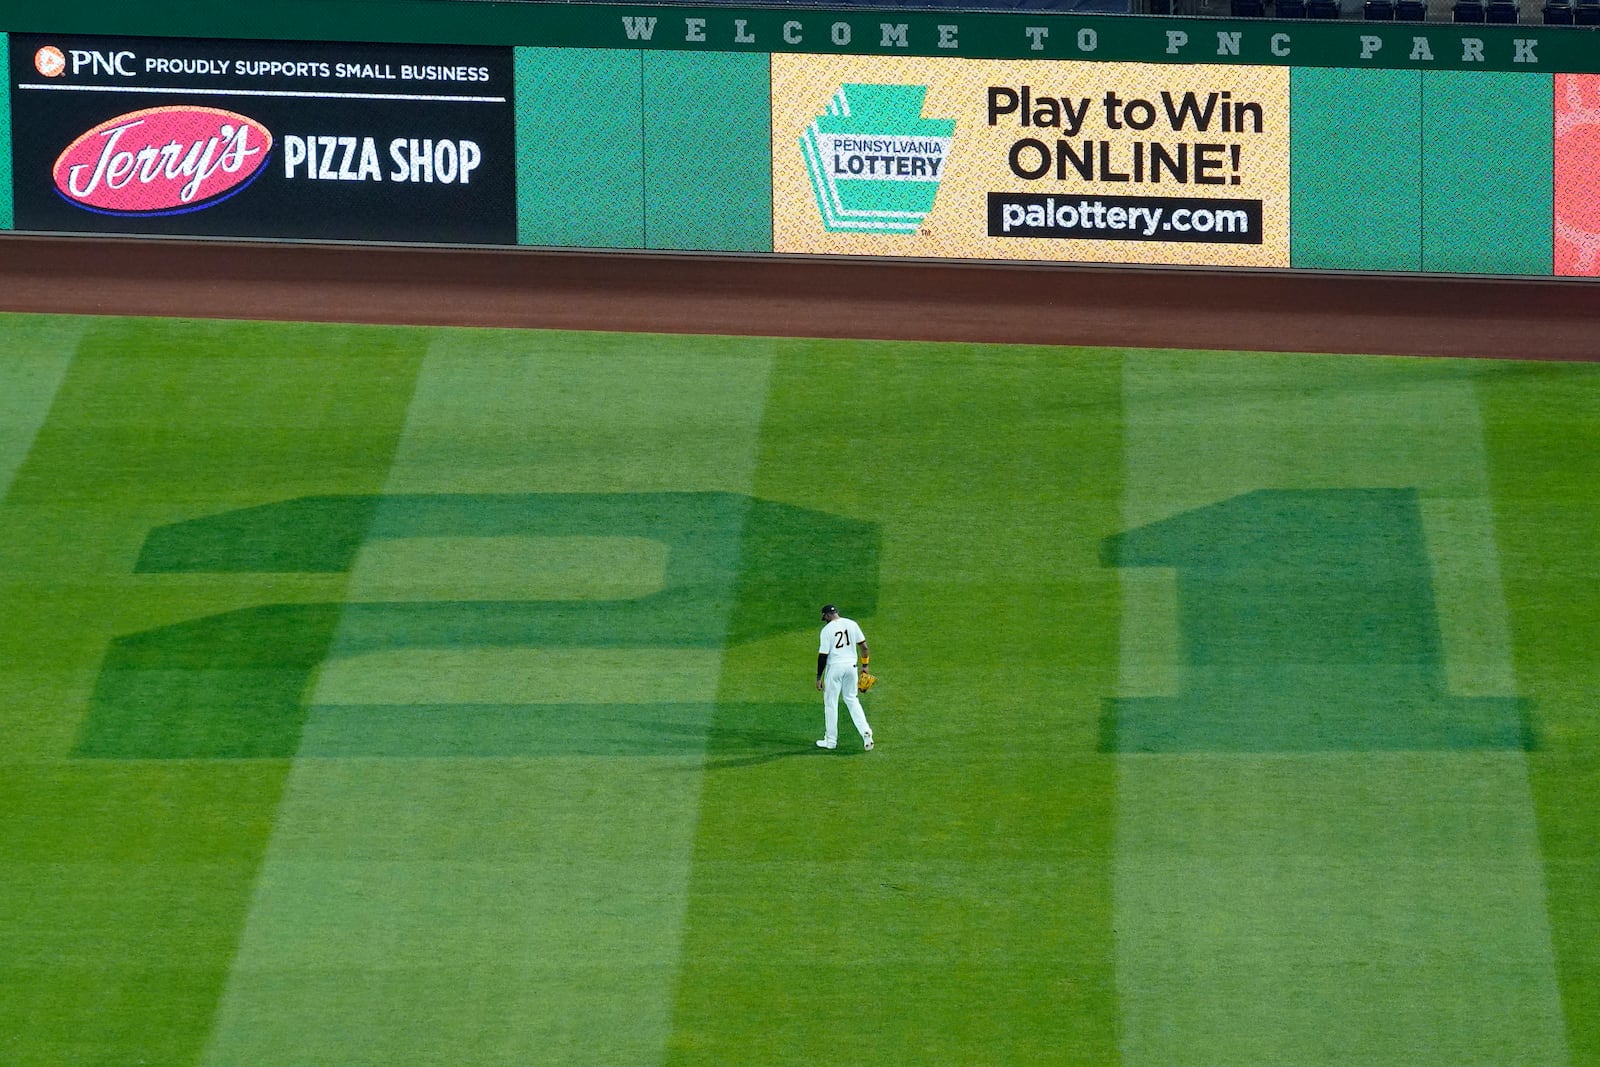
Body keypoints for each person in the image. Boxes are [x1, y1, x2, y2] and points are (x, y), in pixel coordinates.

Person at [815, 603, 874, 751]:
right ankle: (866, 731)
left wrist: (818, 677)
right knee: (852, 700)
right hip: (851, 668)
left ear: (827, 615)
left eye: (824, 617)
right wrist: (865, 666)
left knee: (831, 703)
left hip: (835, 668)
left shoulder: (826, 630)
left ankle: (831, 741)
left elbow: (823, 656)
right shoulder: (852, 624)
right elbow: (864, 647)